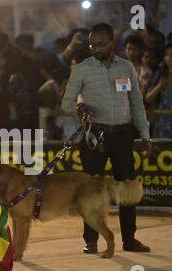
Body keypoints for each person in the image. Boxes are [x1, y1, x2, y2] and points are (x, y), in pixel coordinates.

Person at [62, 23, 151, 255]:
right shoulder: (82, 69)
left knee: (127, 188)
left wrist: (145, 134)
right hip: (95, 135)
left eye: (101, 44)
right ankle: (91, 241)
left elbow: (136, 103)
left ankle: (129, 240)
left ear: (112, 43)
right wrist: (79, 109)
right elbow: (65, 102)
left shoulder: (127, 67)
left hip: (122, 135)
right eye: (92, 44)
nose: (95, 48)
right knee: (91, 190)